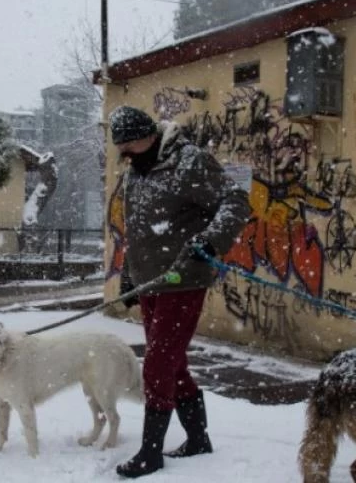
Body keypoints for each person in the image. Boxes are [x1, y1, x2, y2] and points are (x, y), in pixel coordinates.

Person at [109, 105, 250, 479]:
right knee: (173, 362)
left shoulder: (189, 163)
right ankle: (198, 439)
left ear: (149, 135)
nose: (124, 152)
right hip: (151, 282)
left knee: (157, 364)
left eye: (129, 144)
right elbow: (138, 231)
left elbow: (236, 201)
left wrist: (210, 241)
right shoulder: (137, 171)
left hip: (183, 279)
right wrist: (129, 277)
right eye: (120, 146)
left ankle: (151, 453)